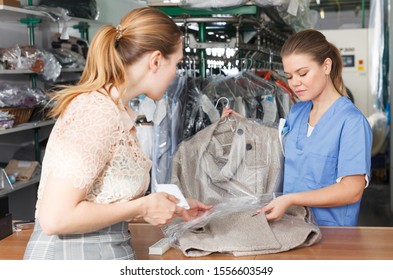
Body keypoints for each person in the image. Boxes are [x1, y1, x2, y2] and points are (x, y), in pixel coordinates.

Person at [23, 7, 211, 260]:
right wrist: (142, 205)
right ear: (155, 60)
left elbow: (100, 199)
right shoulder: (96, 113)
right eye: (176, 64)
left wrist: (164, 206)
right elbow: (55, 218)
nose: (176, 74)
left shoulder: (114, 111)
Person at [223, 29, 372, 226]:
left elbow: (352, 190)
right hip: (292, 227)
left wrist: (292, 199)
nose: (295, 83)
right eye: (290, 76)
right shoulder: (298, 112)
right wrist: (243, 123)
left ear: (326, 66)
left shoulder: (352, 122)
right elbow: (277, 142)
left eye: (303, 73)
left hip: (332, 234)